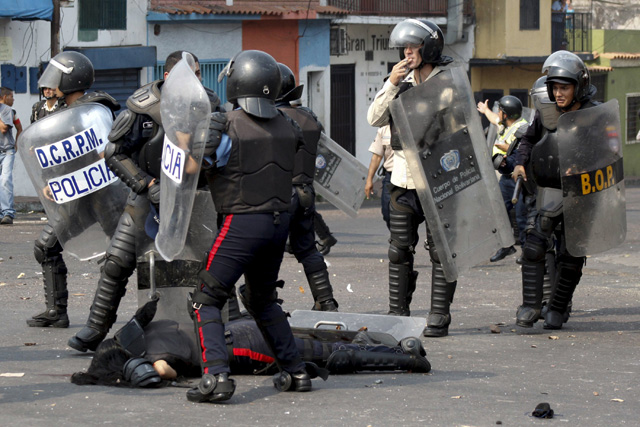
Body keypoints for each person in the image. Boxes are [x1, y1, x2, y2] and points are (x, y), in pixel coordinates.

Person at [67, 51, 225, 351]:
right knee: (116, 263)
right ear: (168, 76)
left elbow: (220, 152)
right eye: (188, 74)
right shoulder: (142, 107)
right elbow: (114, 153)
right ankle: (95, 327)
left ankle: (229, 324)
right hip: (146, 196)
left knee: (215, 266)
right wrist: (146, 183)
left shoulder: (211, 106)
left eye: (198, 74)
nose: (195, 80)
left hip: (195, 199)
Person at [186, 50, 314, 403]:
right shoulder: (289, 125)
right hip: (278, 223)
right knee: (262, 299)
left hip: (241, 222)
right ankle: (296, 371)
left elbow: (198, 165)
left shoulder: (225, 124)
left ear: (237, 82)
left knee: (205, 300)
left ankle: (216, 377)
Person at [70, 298, 430, 388]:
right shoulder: (141, 329)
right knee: (316, 346)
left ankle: (407, 357)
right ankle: (398, 350)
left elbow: (157, 373)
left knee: (325, 355)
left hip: (238, 346)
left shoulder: (157, 356)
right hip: (235, 326)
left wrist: (132, 378)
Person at [367, 18, 459, 337]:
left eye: (413, 46)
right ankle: (398, 312)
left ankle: (439, 314)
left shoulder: (447, 84)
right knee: (399, 249)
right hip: (403, 181)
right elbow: (374, 118)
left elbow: (460, 130)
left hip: (439, 182)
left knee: (441, 250)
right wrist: (391, 83)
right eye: (403, 47)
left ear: (429, 47)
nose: (407, 52)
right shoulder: (401, 85)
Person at [25, 52, 121, 328]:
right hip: (71, 195)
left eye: (53, 80)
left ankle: (101, 317)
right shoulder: (46, 110)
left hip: (101, 195)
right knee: (45, 247)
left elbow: (103, 150)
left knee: (116, 258)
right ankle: (57, 311)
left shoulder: (95, 108)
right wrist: (48, 183)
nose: (47, 86)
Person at [512, 51, 600, 329]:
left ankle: (558, 308)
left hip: (582, 194)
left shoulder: (593, 115)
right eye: (555, 88)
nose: (558, 94)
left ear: (578, 87)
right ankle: (530, 305)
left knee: (571, 256)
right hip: (549, 189)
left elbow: (608, 152)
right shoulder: (547, 113)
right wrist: (520, 163)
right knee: (534, 246)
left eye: (564, 87)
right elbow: (527, 140)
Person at [275, 62, 339, 312]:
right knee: (308, 251)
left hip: (279, 195)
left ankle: (264, 300)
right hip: (306, 192)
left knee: (266, 252)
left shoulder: (272, 119)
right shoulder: (309, 118)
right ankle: (325, 300)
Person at [477, 96, 529, 262]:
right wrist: (485, 111)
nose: (497, 113)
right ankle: (506, 245)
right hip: (506, 177)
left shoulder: (522, 128)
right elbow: (495, 120)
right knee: (499, 211)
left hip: (519, 178)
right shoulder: (506, 124)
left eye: (500, 111)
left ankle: (527, 251)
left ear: (506, 114)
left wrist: (503, 147)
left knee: (521, 215)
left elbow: (522, 150)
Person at [365, 125, 394, 230]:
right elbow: (377, 157)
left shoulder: (417, 126)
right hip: (392, 175)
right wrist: (369, 180)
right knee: (387, 211)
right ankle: (398, 239)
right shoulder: (384, 130)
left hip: (414, 176)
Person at [0, 87, 17, 225]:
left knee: (5, 180)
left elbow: (4, 128)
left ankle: (8, 213)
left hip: (7, 151)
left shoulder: (6, 110)